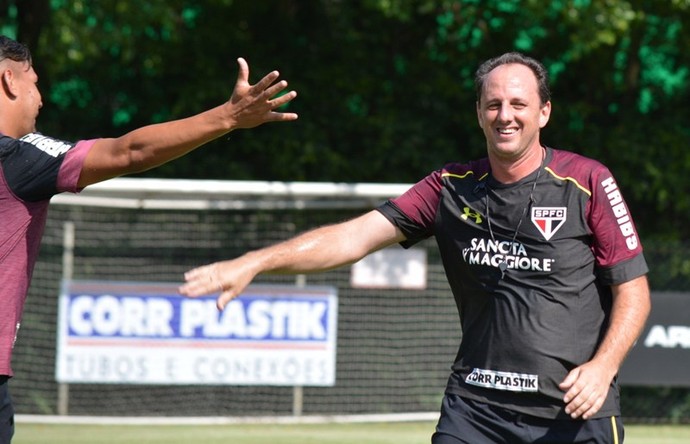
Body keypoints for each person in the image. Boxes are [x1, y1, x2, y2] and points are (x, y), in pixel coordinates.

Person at [179, 52, 650, 443]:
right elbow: (354, 236)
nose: (505, 115)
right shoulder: (450, 187)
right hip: (476, 410)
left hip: (571, 414)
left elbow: (634, 291)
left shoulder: (588, 182)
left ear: (543, 112)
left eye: (518, 104)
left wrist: (602, 367)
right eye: (493, 104)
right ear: (479, 113)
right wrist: (255, 262)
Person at [0, 35, 297, 443]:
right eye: (34, 83)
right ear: (10, 80)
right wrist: (228, 116)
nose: (41, 98)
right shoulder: (15, 159)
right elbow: (129, 151)